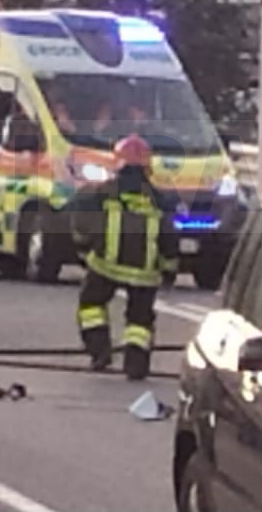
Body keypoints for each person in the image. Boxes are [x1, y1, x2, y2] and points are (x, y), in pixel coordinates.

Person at [70, 134, 180, 380]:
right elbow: (169, 239)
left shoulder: (102, 193)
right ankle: (136, 365)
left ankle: (99, 351)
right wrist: (169, 270)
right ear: (146, 165)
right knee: (139, 321)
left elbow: (81, 222)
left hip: (105, 266)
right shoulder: (159, 199)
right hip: (145, 273)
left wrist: (83, 249)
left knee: (91, 306)